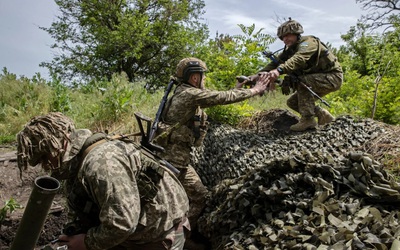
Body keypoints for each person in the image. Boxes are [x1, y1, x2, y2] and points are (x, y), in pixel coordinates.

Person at [16, 112, 190, 250]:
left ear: (58, 146)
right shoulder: (77, 163)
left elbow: (122, 222)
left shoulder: (101, 164)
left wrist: (86, 243)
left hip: (159, 233)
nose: (46, 167)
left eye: (45, 158)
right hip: (132, 233)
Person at [153, 57, 271, 248]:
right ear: (194, 78)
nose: (204, 80)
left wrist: (238, 87)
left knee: (199, 195)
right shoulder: (189, 95)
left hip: (179, 160)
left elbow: (215, 94)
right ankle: (173, 240)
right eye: (202, 76)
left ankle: (184, 236)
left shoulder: (185, 92)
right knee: (176, 201)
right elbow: (221, 98)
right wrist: (255, 90)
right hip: (171, 162)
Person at [252, 18, 343, 131]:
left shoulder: (309, 43)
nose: (285, 39)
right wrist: (257, 75)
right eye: (282, 37)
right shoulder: (290, 50)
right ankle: (322, 114)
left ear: (296, 34)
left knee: (302, 81)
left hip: (333, 77)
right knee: (293, 102)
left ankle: (308, 119)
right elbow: (273, 64)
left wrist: (279, 71)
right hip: (318, 79)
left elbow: (298, 59)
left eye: (288, 35)